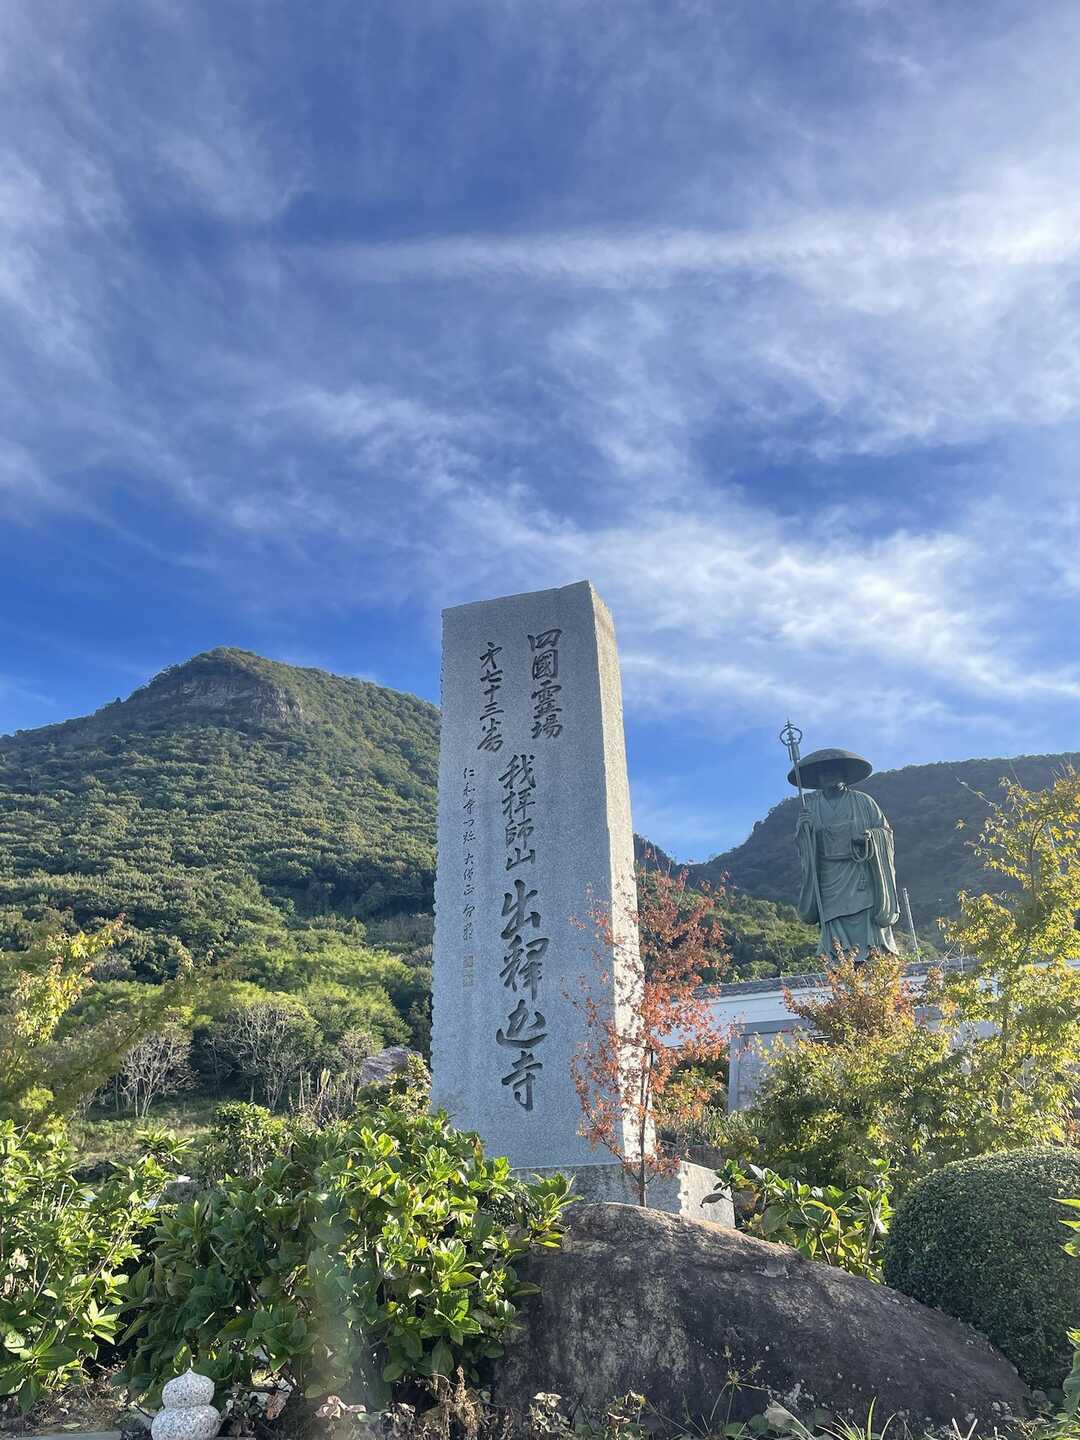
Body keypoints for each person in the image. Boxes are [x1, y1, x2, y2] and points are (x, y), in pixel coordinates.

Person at [791, 748, 900, 962]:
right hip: (829, 880)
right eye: (824, 773)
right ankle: (840, 962)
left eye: (834, 771)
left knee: (869, 931)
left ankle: (874, 959)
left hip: (860, 876)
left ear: (844, 774)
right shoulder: (810, 809)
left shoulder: (864, 802)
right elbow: (804, 848)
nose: (829, 776)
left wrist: (871, 837)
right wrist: (805, 833)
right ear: (818, 778)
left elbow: (884, 832)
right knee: (837, 943)